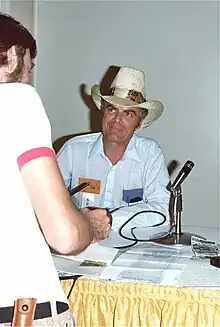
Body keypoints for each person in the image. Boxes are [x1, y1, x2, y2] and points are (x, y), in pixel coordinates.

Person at [0, 12, 110, 326]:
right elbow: (65, 237)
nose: (27, 78)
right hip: (21, 310)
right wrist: (88, 224)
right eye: (29, 69)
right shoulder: (17, 100)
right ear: (12, 56)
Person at [57, 66, 171, 237]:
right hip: (80, 242)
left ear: (139, 124)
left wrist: (110, 219)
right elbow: (45, 198)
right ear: (103, 112)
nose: (117, 120)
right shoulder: (73, 150)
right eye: (112, 109)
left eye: (129, 114)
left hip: (131, 247)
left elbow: (162, 212)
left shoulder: (150, 154)